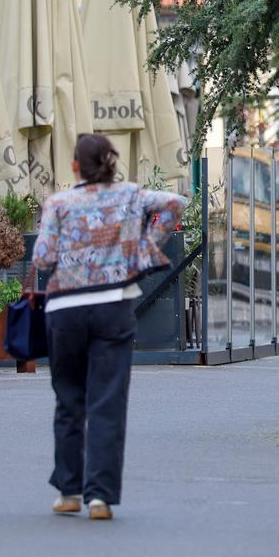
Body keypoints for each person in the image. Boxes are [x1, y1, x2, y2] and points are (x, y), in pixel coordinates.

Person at [32, 134, 188, 521]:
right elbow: (175, 203)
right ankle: (99, 497)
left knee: (69, 398)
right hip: (113, 305)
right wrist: (145, 247)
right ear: (109, 163)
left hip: (65, 309)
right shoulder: (131, 195)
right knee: (107, 400)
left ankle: (69, 491)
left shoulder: (59, 203)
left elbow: (42, 257)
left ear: (74, 166)